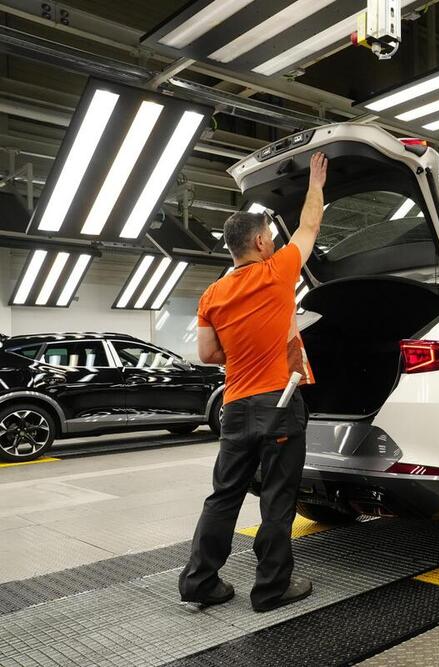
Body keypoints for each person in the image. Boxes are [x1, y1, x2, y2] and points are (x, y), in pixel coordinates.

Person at [178, 152, 327, 612]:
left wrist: (242, 351)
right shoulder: (277, 271)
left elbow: (207, 354)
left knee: (223, 497)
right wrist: (316, 183)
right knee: (277, 500)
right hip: (278, 404)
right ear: (263, 242)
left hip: (234, 406)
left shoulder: (212, 293)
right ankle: (271, 588)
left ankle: (200, 584)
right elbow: (309, 226)